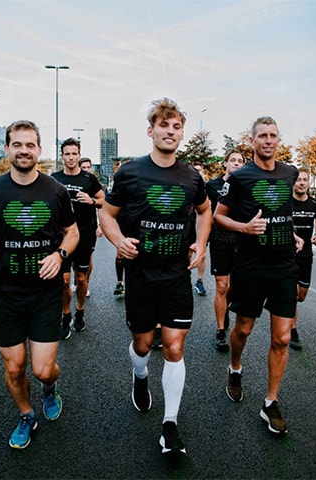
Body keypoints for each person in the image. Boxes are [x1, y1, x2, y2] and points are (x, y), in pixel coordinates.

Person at [99, 98, 211, 456]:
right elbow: (107, 214)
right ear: (151, 130)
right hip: (141, 274)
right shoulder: (131, 172)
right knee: (144, 344)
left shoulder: (192, 176)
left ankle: (169, 426)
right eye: (164, 126)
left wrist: (201, 244)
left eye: (177, 126)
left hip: (176, 274)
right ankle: (141, 375)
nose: (171, 132)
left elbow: (206, 211)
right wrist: (118, 240)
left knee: (175, 346)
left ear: (181, 132)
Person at [0, 120, 79, 450]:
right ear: (7, 148)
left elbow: (73, 233)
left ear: (39, 150)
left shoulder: (55, 191)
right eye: (18, 144)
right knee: (15, 368)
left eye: (30, 145)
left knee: (43, 370)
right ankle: (27, 415)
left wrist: (59, 254)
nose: (24, 150)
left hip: (44, 295)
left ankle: (48, 389)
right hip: (4, 297)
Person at [213, 116, 303, 435]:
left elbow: (283, 210)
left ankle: (270, 402)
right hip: (250, 266)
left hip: (283, 266)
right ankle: (235, 367)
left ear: (279, 140)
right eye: (262, 135)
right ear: (252, 141)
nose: (268, 140)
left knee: (281, 337)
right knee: (244, 329)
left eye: (273, 135)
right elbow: (218, 217)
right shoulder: (240, 177)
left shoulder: (290, 172)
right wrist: (245, 227)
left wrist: (293, 235)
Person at [51, 140, 104, 339]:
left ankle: (80, 311)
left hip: (85, 233)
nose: (71, 158)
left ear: (79, 154)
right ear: (62, 156)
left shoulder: (89, 179)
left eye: (74, 154)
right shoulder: (54, 179)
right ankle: (66, 315)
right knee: (64, 281)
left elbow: (103, 200)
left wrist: (92, 201)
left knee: (80, 277)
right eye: (67, 154)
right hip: (62, 235)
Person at [205, 148, 245, 352]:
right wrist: (200, 241)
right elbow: (203, 213)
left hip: (242, 239)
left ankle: (225, 308)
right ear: (225, 164)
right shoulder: (212, 185)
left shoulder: (246, 184)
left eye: (240, 161)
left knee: (235, 287)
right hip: (220, 239)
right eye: (233, 160)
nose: (237, 163)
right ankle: (221, 331)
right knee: (221, 285)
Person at [289, 167, 316, 350]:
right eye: (298, 180)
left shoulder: (315, 204)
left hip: (307, 255)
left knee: (301, 295)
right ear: (293, 182)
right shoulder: (287, 203)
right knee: (292, 294)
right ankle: (292, 330)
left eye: (305, 180)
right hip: (289, 254)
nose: (301, 183)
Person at [79, 157, 104, 298]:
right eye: (84, 167)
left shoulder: (92, 182)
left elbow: (102, 204)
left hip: (90, 225)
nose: (87, 170)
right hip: (74, 225)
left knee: (88, 258)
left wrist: (100, 225)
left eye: (89, 167)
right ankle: (79, 279)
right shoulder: (75, 182)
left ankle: (85, 283)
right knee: (74, 259)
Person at [191, 163, 207, 296]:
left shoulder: (205, 186)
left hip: (201, 223)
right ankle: (183, 277)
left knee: (202, 252)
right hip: (188, 221)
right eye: (195, 170)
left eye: (199, 171)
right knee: (188, 252)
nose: (198, 173)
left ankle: (200, 281)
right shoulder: (187, 182)